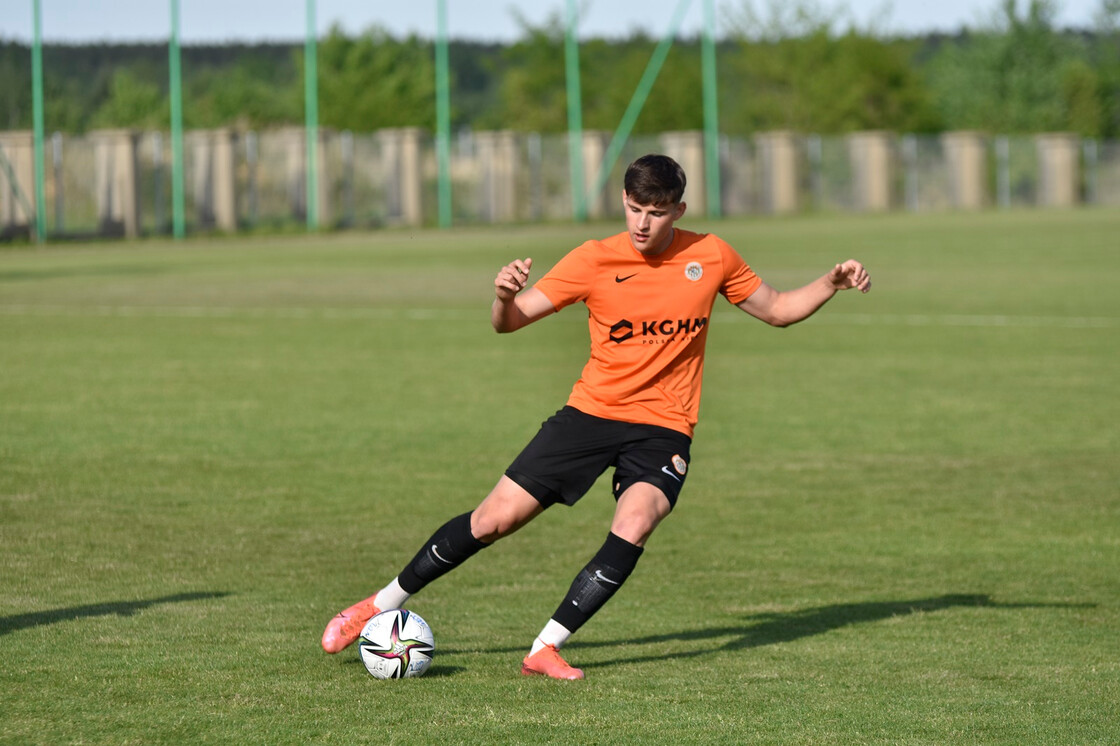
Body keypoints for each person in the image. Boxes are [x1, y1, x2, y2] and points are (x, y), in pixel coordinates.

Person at [321, 154, 871, 679]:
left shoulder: (713, 255)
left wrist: (830, 283)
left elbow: (777, 310)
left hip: (663, 427)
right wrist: (502, 296)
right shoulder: (593, 259)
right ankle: (378, 604)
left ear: (678, 210)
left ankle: (545, 649)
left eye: (656, 213)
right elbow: (509, 323)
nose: (642, 223)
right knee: (493, 521)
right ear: (624, 201)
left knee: (637, 521)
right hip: (590, 415)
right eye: (634, 208)